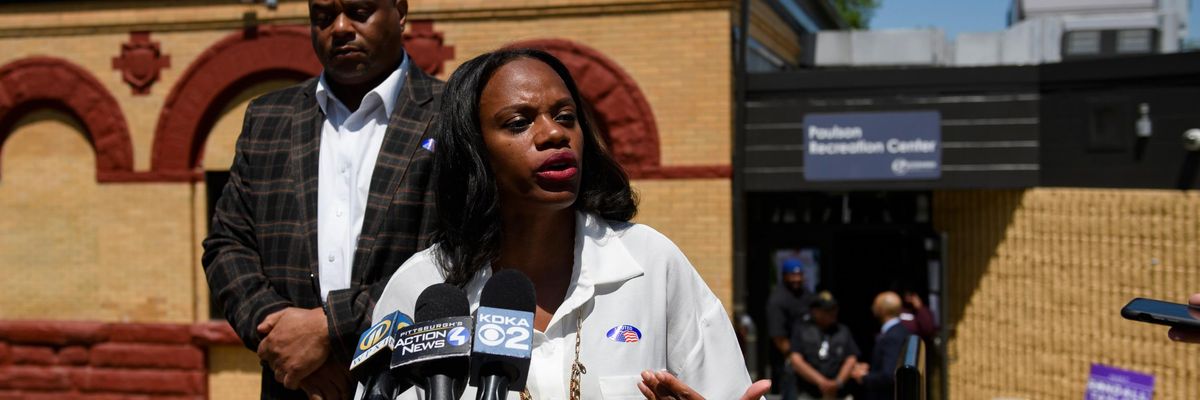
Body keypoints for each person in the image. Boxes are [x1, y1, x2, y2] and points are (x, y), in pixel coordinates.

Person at [368, 48, 768, 399]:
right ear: (474, 152)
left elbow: (727, 390)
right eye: (519, 122)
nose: (553, 133)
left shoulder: (651, 263)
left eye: (565, 116)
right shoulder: (421, 288)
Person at [201, 0, 442, 398]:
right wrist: (284, 339)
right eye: (324, 17)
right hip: (294, 385)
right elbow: (227, 246)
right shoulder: (268, 119)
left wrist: (331, 327)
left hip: (412, 381)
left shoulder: (453, 114)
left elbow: (461, 255)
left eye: (360, 11)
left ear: (399, 11)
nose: (341, 28)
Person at [789, 291, 858, 400]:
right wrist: (821, 382)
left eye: (834, 309)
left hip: (839, 394)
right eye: (827, 310)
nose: (833, 313)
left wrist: (837, 382)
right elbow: (796, 359)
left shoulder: (842, 330)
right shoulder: (802, 330)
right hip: (810, 393)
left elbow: (851, 358)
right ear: (815, 311)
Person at [766, 258, 817, 400]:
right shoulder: (778, 299)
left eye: (799, 275)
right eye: (792, 275)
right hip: (789, 359)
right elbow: (778, 337)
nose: (797, 279)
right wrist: (794, 357)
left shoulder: (807, 295)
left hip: (810, 357)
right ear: (784, 276)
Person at [850, 291, 912, 400]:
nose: (872, 308)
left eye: (875, 305)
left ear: (882, 310)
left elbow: (889, 375)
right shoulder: (900, 330)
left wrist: (864, 377)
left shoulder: (892, 336)